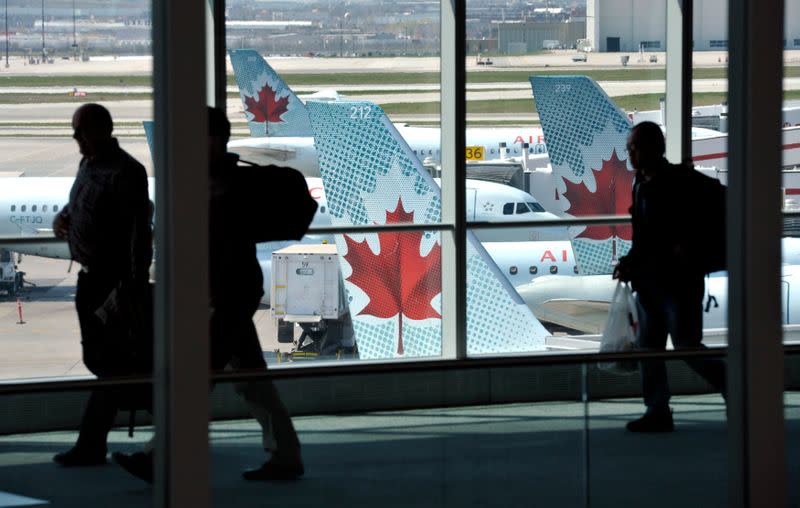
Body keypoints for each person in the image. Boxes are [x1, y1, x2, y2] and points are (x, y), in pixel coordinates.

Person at [114, 107, 309, 482]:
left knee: (196, 379)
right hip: (223, 293)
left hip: (227, 295)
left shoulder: (223, 185)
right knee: (253, 380)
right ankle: (286, 454)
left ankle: (161, 456)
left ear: (214, 141)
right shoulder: (213, 181)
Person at [52, 103, 153, 466]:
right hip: (89, 278)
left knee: (109, 362)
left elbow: (140, 233)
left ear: (100, 131)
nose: (75, 137)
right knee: (103, 359)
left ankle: (93, 442)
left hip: (111, 283)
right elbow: (78, 204)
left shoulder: (126, 171)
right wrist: (64, 218)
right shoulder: (89, 165)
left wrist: (133, 284)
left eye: (80, 130)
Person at [613, 121, 726, 433]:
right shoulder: (642, 182)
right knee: (652, 347)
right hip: (651, 282)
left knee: (684, 343)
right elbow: (645, 237)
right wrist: (631, 262)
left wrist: (690, 246)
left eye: (634, 147)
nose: (630, 153)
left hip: (678, 283)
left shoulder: (678, 181)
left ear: (653, 148)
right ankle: (657, 409)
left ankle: (732, 385)